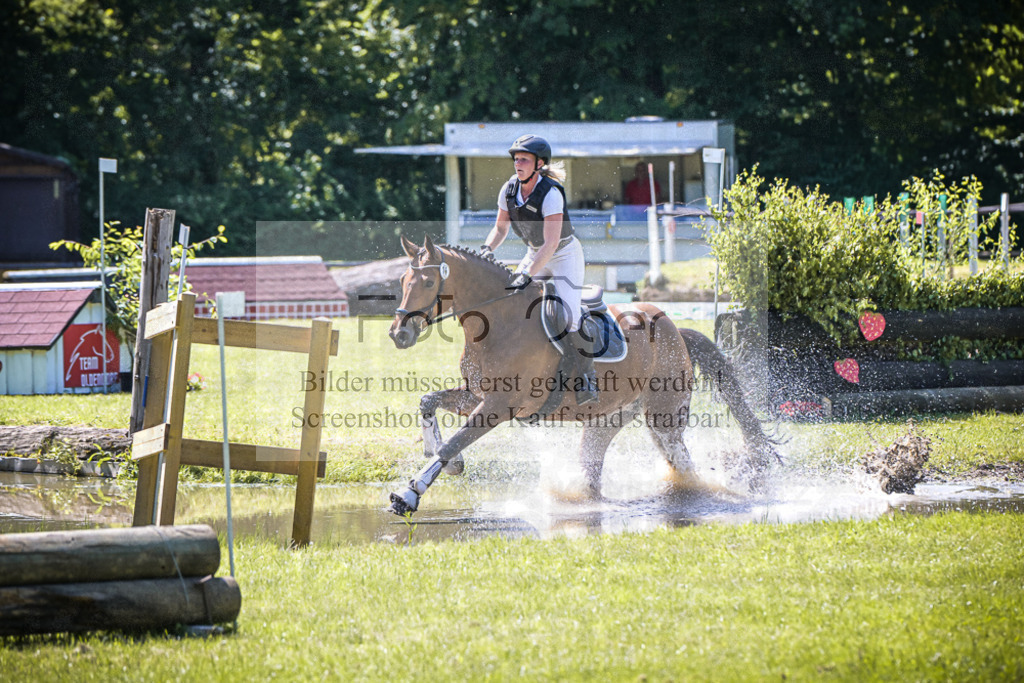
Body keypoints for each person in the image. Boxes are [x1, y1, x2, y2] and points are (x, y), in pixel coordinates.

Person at [480, 134, 599, 405]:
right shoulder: (509, 189)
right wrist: (487, 249)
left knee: (569, 317)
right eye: (516, 159)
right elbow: (500, 228)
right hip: (536, 253)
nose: (517, 163)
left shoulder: (551, 193)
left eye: (524, 159)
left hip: (564, 255)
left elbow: (552, 243)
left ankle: (586, 377)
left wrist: (527, 273)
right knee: (511, 298)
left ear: (539, 163)